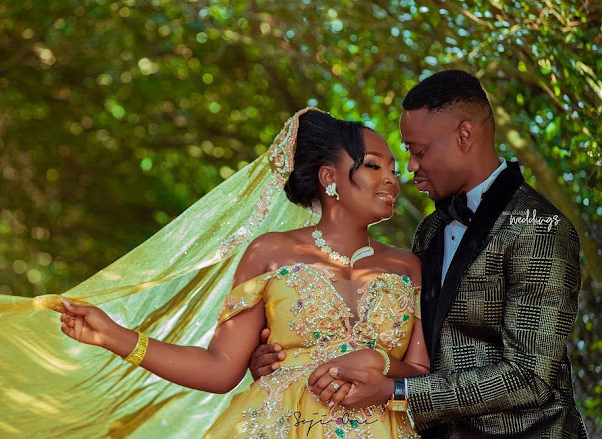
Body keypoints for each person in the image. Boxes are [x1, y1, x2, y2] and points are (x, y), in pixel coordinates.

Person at [252, 70, 588, 438]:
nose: (410, 167)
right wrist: (293, 362)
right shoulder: (430, 231)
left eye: (419, 151)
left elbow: (530, 377)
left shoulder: (540, 228)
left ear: (464, 136)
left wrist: (398, 392)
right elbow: (405, 350)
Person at [56, 109, 431, 438]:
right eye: (374, 165)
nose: (392, 179)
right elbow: (220, 369)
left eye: (394, 170)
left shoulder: (409, 266)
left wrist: (379, 363)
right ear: (328, 176)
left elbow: (424, 372)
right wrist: (114, 336)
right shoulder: (270, 252)